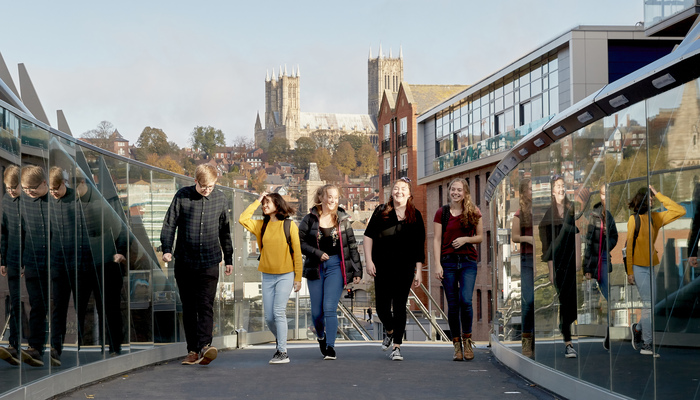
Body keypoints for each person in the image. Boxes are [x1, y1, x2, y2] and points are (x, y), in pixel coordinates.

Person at [161, 164, 233, 365]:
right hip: (185, 261)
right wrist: (166, 248)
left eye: (210, 186)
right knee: (189, 307)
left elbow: (225, 231)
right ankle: (192, 350)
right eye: (203, 186)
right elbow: (169, 224)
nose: (207, 190)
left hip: (210, 261)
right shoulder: (182, 196)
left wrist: (229, 259)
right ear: (195, 181)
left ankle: (204, 347)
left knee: (205, 305)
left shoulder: (219, 199)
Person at [365, 177, 425, 362]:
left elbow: (418, 245)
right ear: (392, 192)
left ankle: (397, 346)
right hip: (382, 266)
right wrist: (368, 261)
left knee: (399, 306)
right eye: (396, 188)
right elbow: (368, 237)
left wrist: (419, 270)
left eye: (403, 189)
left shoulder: (415, 215)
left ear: (409, 194)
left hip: (405, 267)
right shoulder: (381, 211)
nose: (399, 192)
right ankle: (389, 331)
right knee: (382, 309)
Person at [299, 184, 362, 360]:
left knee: (329, 308)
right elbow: (299, 242)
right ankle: (321, 336)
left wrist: (357, 271)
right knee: (317, 313)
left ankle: (331, 347)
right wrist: (317, 253)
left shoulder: (343, 220)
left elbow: (352, 246)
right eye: (330, 196)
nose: (333, 200)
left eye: (336, 197)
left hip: (335, 266)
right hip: (315, 267)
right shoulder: (310, 219)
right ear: (321, 198)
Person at [239, 192, 302, 364]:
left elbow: (297, 253)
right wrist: (257, 200)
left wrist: (298, 278)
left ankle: (282, 352)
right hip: (267, 275)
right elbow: (243, 219)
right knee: (269, 317)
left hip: (286, 274)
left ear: (277, 205)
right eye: (263, 203)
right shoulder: (262, 226)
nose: (264, 206)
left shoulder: (290, 226)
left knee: (278, 312)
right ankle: (281, 341)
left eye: (268, 203)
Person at [626, 185, 684, 356]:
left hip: (651, 266)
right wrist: (629, 272)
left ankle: (638, 329)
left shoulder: (655, 218)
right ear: (642, 199)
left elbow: (679, 210)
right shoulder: (633, 220)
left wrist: (658, 194)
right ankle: (647, 344)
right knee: (648, 304)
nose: (651, 200)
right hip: (637, 267)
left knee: (650, 304)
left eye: (652, 197)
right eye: (649, 197)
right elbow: (629, 248)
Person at [538, 175, 588, 359]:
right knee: (565, 301)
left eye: (562, 185)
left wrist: (578, 260)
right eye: (558, 186)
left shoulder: (570, 210)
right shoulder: (548, 217)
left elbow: (576, 232)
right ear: (552, 191)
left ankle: (563, 325)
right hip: (558, 264)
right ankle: (568, 343)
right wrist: (551, 271)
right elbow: (547, 247)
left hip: (571, 261)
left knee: (573, 303)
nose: (561, 188)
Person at [433, 178, 482, 361]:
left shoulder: (473, 211)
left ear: (465, 192)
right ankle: (456, 346)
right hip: (448, 262)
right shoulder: (442, 213)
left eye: (459, 190)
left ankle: (467, 339)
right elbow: (437, 240)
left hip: (468, 261)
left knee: (466, 300)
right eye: (453, 189)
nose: (455, 192)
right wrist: (437, 264)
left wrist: (465, 240)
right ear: (449, 191)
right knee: (452, 306)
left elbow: (479, 237)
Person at [18, 165, 51, 366]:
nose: (29, 192)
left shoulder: (57, 202)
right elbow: (19, 234)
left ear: (45, 183)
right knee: (37, 306)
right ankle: (35, 348)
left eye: (33, 188)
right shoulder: (22, 203)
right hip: (32, 262)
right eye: (25, 189)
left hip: (55, 264)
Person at [47, 167, 78, 366]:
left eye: (56, 188)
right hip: (58, 264)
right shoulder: (48, 203)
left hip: (78, 263)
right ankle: (55, 349)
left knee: (82, 307)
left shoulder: (77, 200)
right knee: (58, 308)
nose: (54, 193)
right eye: (50, 190)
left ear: (64, 183)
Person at [582, 183, 618, 350]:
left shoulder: (608, 215)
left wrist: (606, 243)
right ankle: (608, 332)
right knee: (606, 297)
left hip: (605, 259)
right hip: (596, 261)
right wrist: (587, 268)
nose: (606, 197)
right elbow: (589, 243)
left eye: (608, 194)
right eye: (603, 194)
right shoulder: (594, 215)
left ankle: (609, 333)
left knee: (609, 298)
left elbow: (614, 237)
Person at [0, 166, 22, 366]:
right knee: (15, 303)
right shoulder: (6, 201)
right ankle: (14, 344)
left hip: (30, 261)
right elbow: (3, 232)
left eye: (14, 187)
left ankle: (33, 345)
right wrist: (3, 261)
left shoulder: (29, 202)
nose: (11, 191)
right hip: (13, 260)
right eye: (7, 188)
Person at [512, 179, 534, 357]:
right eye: (530, 189)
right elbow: (515, 237)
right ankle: (526, 340)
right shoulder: (520, 213)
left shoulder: (543, 210)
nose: (533, 191)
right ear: (524, 192)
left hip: (542, 259)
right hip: (527, 259)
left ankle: (536, 338)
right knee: (529, 301)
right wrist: (529, 239)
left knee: (539, 303)